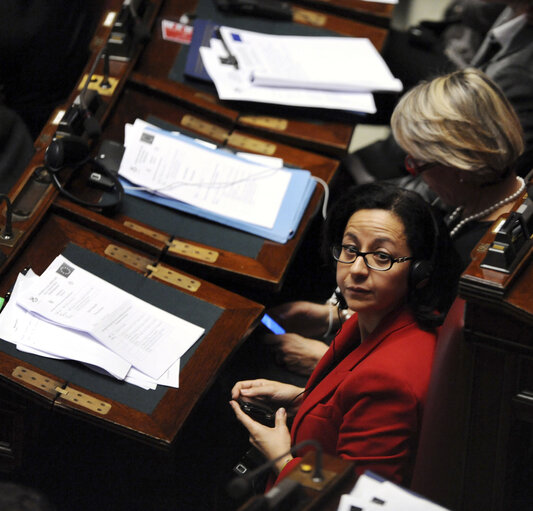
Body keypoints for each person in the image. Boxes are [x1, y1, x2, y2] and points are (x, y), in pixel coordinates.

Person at [229, 182, 462, 486]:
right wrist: (303, 399)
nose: (356, 270)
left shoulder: (389, 382)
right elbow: (348, 412)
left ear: (420, 273)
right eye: (350, 249)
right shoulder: (374, 318)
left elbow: (356, 499)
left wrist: (281, 458)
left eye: (381, 256)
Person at [346, 0, 533, 183]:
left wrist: (381, 195)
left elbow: (474, 178)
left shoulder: (521, 76)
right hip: (438, 130)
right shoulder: (515, 9)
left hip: (434, 175)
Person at [390, 67, 527, 267]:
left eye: (419, 164)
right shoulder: (477, 204)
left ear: (460, 163)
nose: (419, 176)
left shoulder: (475, 259)